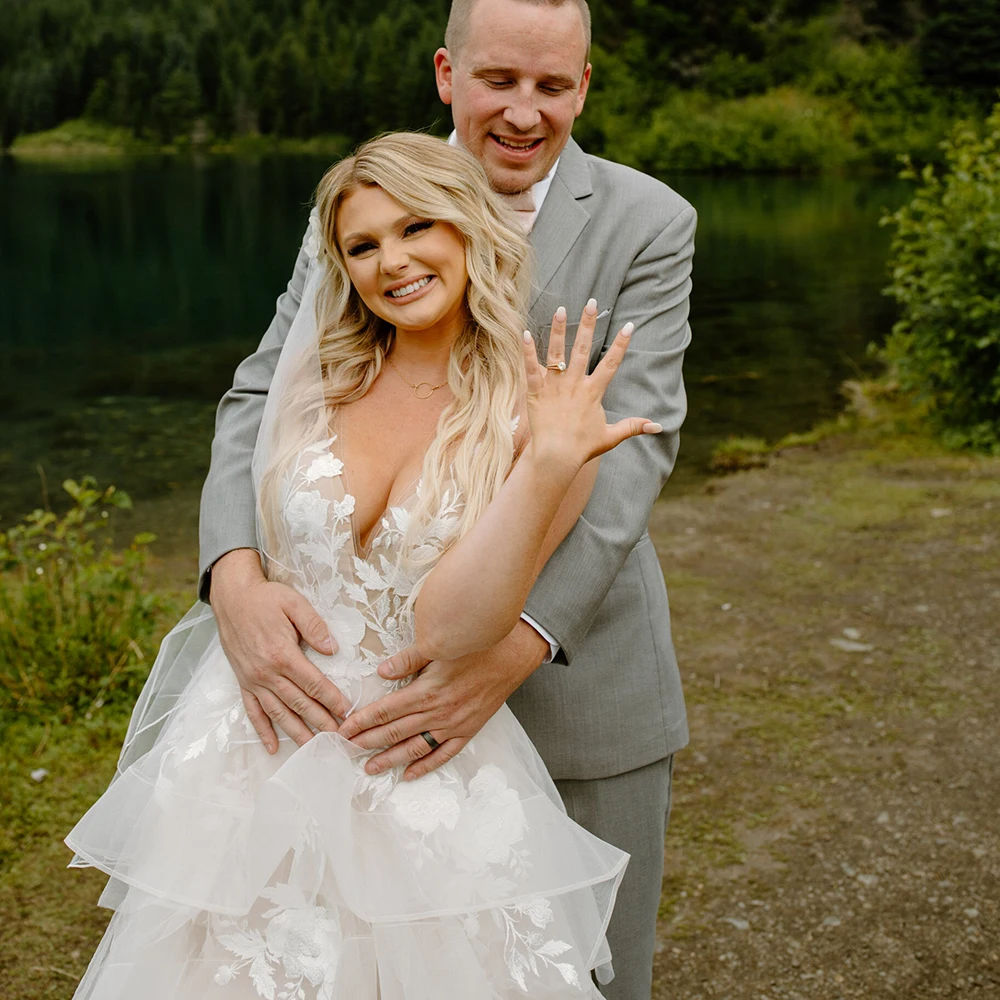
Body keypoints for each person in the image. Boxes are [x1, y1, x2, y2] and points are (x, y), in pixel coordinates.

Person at [67, 132, 659, 997]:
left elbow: (451, 629)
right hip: (253, 746)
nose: (394, 261)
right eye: (363, 245)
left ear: (467, 230)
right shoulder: (321, 375)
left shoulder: (544, 414)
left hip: (410, 760)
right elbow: (255, 495)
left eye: (417, 226)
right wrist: (238, 577)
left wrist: (544, 469)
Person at [200, 1, 695, 996]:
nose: (523, 112)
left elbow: (632, 453)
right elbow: (265, 386)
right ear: (445, 74)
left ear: (584, 84)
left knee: (587, 974)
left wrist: (510, 650)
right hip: (362, 704)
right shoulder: (364, 203)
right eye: (498, 81)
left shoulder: (650, 221)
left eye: (551, 86)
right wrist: (232, 575)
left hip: (574, 675)